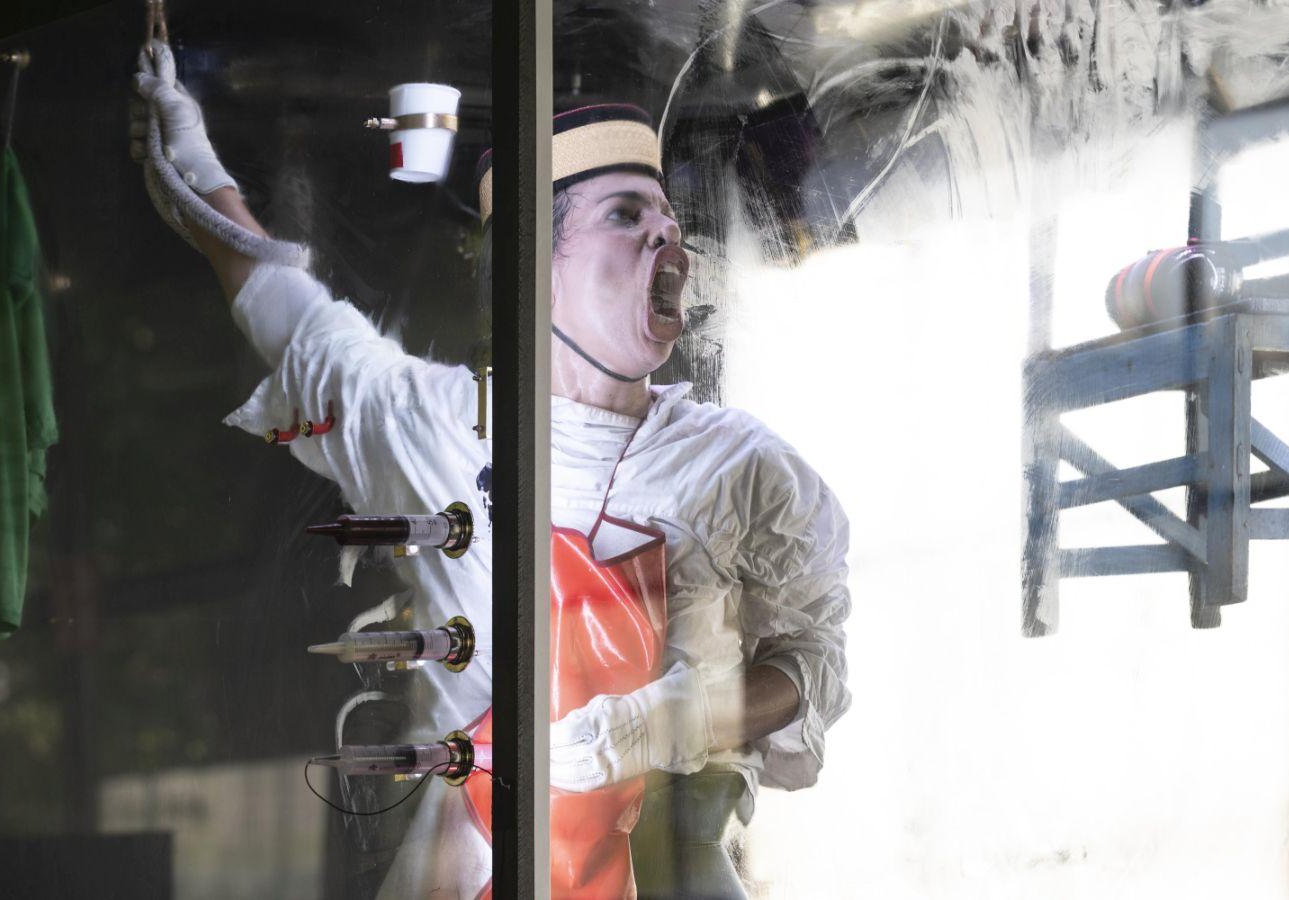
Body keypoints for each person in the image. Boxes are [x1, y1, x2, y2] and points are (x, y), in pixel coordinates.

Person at [132, 41, 851, 899]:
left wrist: (668, 720)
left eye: (668, 220)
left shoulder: (745, 466)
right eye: (626, 215)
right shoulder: (436, 423)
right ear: (537, 266)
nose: (667, 237)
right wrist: (194, 153)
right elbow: (286, 312)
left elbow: (813, 664)